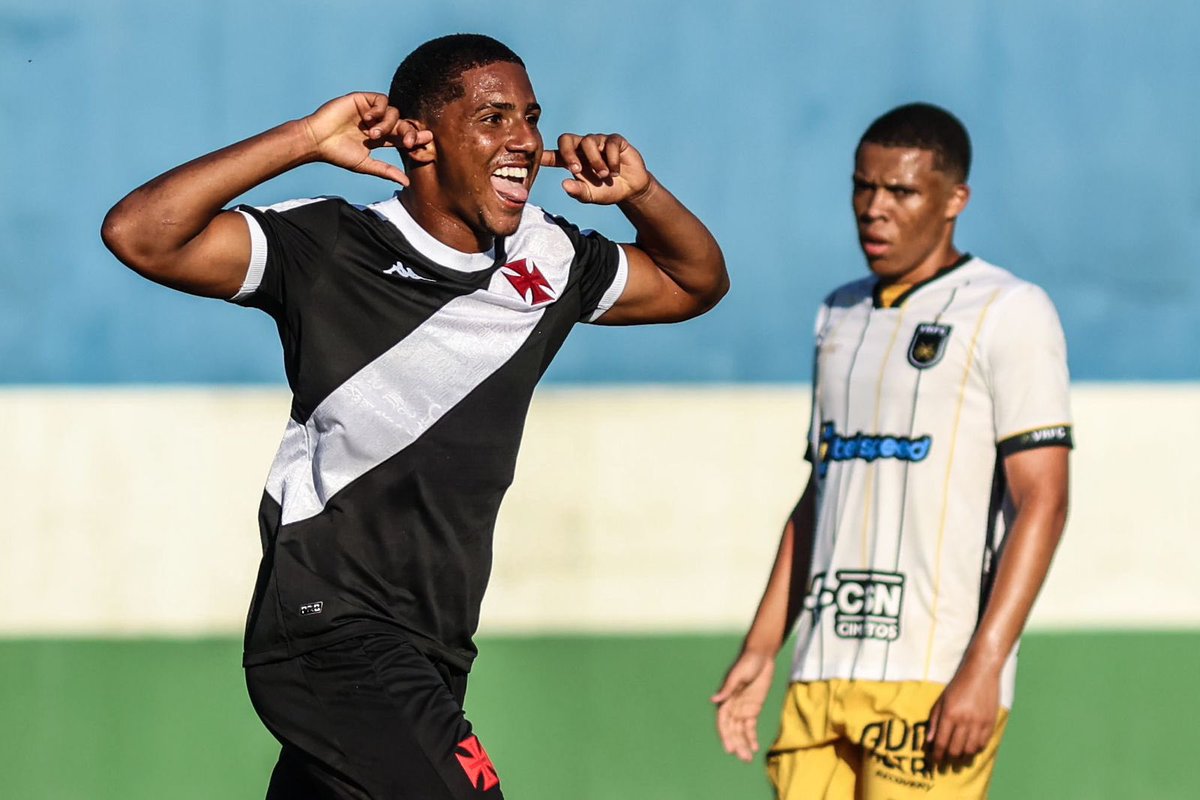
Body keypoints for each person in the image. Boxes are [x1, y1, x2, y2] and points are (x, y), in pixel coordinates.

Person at [102, 33, 727, 800]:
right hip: (329, 628)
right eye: (494, 118)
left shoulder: (550, 258)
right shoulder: (331, 245)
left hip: (436, 647)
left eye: (530, 118)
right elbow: (141, 233)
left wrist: (642, 191)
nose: (525, 140)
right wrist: (303, 139)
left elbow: (694, 283)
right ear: (421, 138)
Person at [712, 103, 1071, 799]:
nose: (874, 209)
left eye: (900, 191)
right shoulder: (837, 313)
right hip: (819, 672)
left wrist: (985, 663)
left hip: (933, 679)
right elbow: (821, 496)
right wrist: (763, 648)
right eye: (862, 187)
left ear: (953, 199)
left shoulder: (1010, 310)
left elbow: (1044, 501)